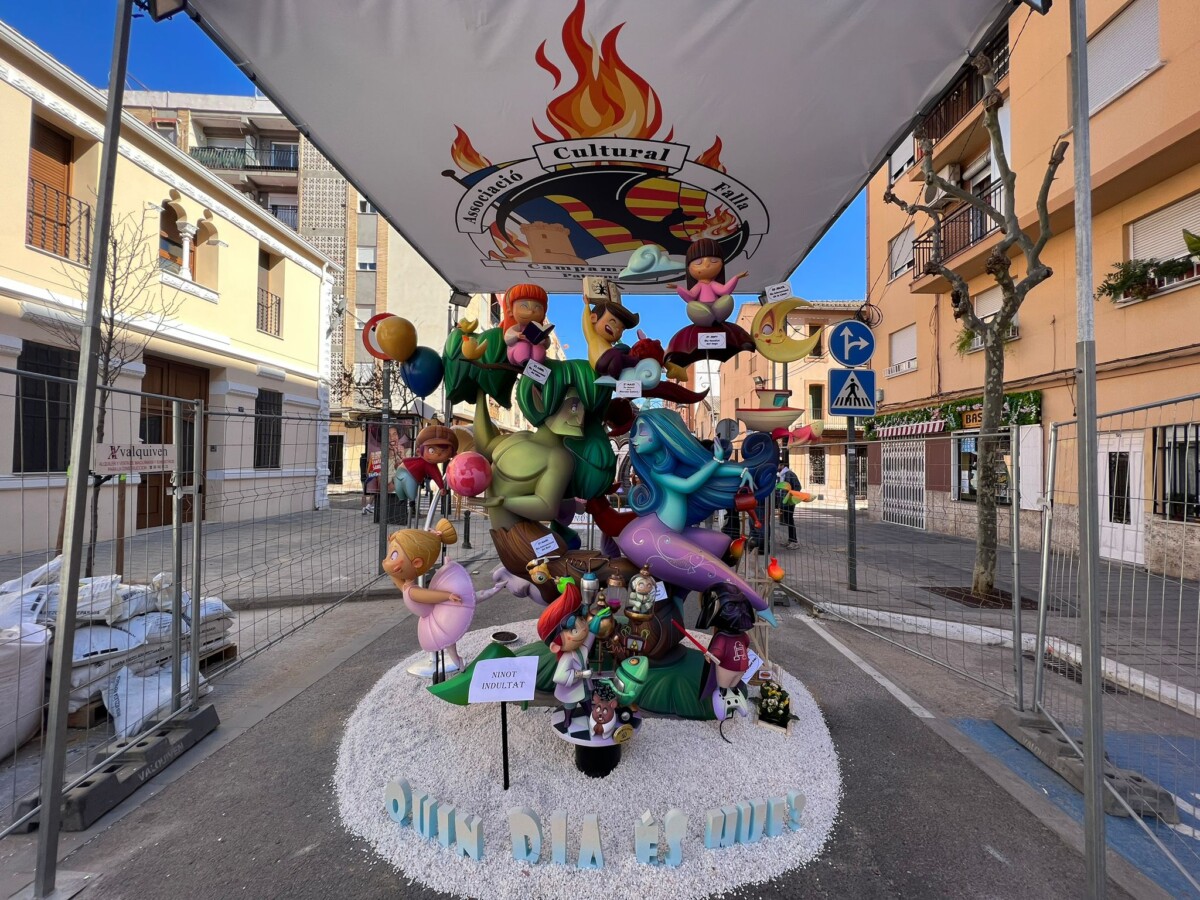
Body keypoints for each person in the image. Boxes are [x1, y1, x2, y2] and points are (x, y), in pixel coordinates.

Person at [618, 408, 778, 624]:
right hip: (646, 536)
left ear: (663, 433)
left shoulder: (671, 464)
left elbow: (705, 473)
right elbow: (688, 485)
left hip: (668, 530)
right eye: (635, 433)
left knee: (720, 542)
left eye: (642, 432)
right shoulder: (658, 471)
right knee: (707, 566)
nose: (634, 439)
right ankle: (757, 603)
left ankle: (676, 598)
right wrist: (715, 461)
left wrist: (741, 472)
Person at [382, 518, 476, 677]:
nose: (389, 559)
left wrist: (447, 595)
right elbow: (394, 575)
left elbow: (429, 596)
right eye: (391, 553)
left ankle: (460, 666)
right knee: (448, 644)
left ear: (417, 563)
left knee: (449, 643)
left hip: (437, 616)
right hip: (430, 617)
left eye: (394, 555)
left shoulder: (411, 591)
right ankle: (459, 665)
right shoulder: (406, 585)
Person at [667, 238, 747, 326]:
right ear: (688, 268)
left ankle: (717, 317)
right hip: (702, 308)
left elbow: (724, 291)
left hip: (717, 307)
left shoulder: (713, 284)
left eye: (714, 261)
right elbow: (691, 296)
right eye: (698, 262)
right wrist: (678, 288)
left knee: (727, 299)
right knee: (692, 306)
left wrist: (736, 278)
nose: (707, 265)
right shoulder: (699, 286)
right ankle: (707, 319)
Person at [777, 461, 802, 547]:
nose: (776, 467)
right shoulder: (780, 475)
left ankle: (794, 541)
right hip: (784, 502)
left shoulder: (790, 474)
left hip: (789, 501)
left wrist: (791, 496)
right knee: (787, 520)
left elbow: (798, 486)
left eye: (777, 465)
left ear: (782, 465)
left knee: (790, 520)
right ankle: (790, 540)